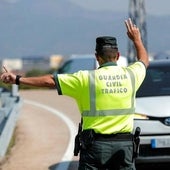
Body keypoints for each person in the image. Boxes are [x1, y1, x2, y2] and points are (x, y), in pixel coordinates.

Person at [0, 18, 149, 170]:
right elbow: (143, 60)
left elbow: (49, 81)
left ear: (97, 57)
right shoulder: (132, 75)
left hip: (95, 147)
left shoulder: (85, 78)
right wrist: (136, 39)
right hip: (124, 147)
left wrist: (17, 79)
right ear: (117, 56)